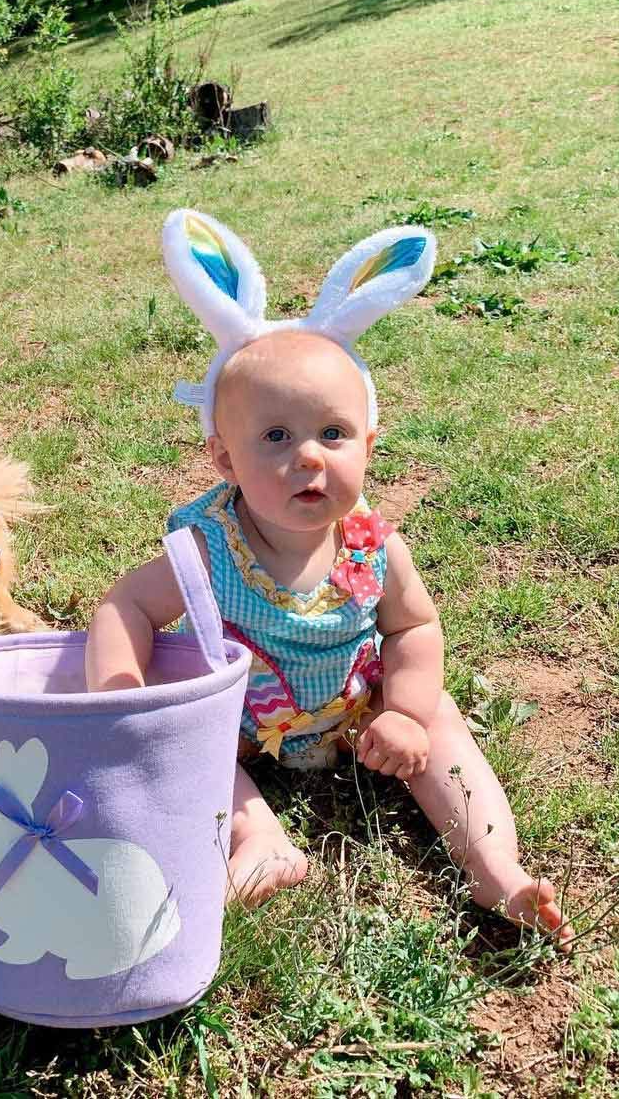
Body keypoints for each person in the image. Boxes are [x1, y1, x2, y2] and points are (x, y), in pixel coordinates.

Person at [85, 211, 572, 949]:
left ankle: (491, 863)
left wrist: (403, 711)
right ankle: (261, 838)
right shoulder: (212, 548)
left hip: (355, 715)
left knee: (441, 719)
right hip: (246, 728)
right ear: (223, 459)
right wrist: (120, 692)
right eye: (276, 437)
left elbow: (412, 626)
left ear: (370, 443)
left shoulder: (375, 546)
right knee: (187, 744)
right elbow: (126, 604)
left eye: (333, 434)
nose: (309, 457)